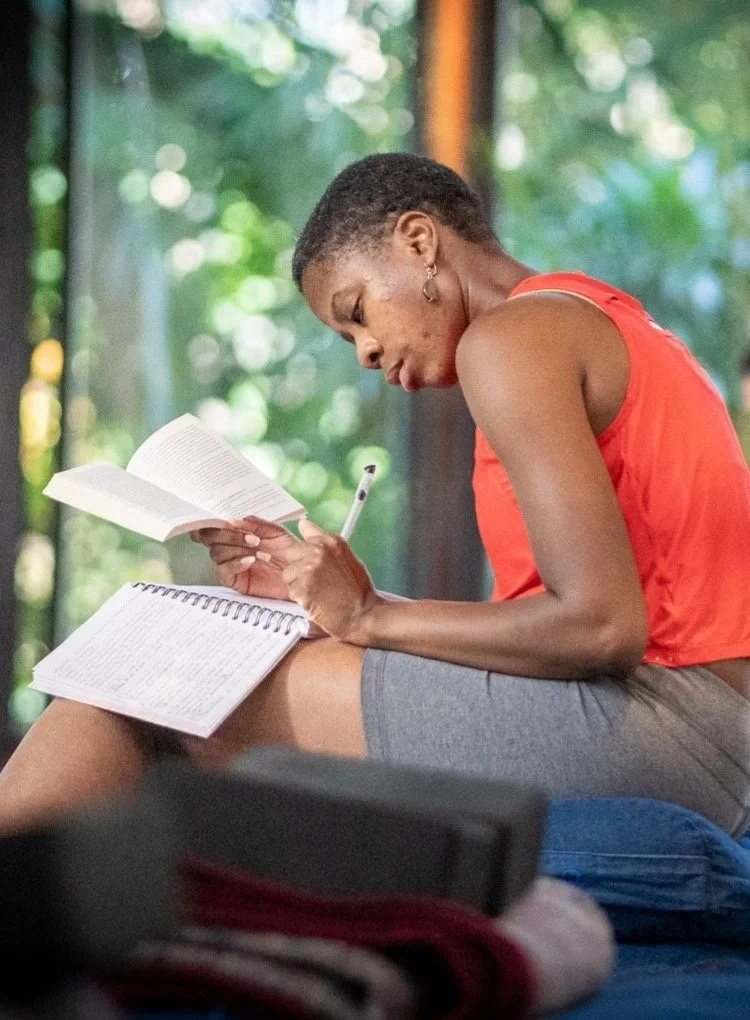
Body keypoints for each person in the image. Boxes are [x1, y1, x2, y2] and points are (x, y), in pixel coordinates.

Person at [0, 152, 748, 845]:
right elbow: (587, 621)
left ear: (419, 240)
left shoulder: (512, 340)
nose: (363, 352)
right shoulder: (587, 314)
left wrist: (369, 616)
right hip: (692, 722)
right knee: (173, 683)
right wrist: (335, 604)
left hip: (674, 730)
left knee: (147, 672)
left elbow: (601, 629)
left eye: (356, 310)